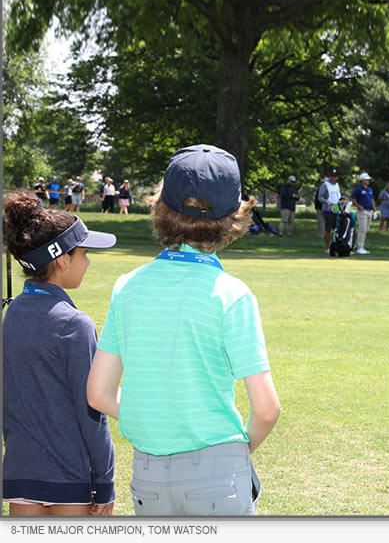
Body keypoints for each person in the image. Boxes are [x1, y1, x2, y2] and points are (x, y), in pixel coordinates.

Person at [86, 145, 280, 516]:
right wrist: (234, 452)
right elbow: (267, 410)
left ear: (160, 205)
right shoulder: (232, 295)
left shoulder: (128, 286)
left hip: (148, 476)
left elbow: (99, 393)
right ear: (234, 214)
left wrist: (155, 417)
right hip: (218, 474)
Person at [2, 192, 117, 516]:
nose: (89, 261)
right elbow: (92, 411)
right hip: (71, 480)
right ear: (62, 260)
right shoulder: (75, 324)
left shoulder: (13, 314)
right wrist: (105, 482)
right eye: (83, 253)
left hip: (21, 474)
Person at [350, 172, 376, 254]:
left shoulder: (370, 189)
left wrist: (374, 210)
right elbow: (352, 198)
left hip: (369, 211)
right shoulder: (358, 189)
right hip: (362, 211)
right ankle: (360, 247)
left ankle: (357, 245)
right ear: (362, 180)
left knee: (366, 230)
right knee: (362, 230)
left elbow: (372, 200)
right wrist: (358, 206)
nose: (368, 180)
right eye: (366, 179)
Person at [317, 169, 342, 254]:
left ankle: (337, 247)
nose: (333, 177)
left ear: (337, 177)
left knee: (338, 229)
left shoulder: (337, 185)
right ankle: (328, 248)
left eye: (335, 176)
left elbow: (338, 197)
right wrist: (326, 202)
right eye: (331, 176)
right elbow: (320, 197)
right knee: (328, 229)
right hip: (328, 208)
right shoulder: (325, 185)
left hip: (336, 207)